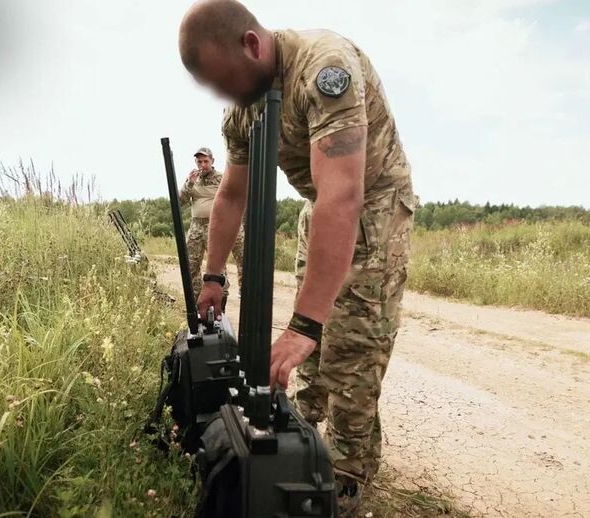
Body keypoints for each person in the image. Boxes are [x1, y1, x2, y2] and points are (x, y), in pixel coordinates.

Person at [178, 1, 415, 513]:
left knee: (350, 344)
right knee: (311, 356)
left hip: (373, 204)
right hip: (320, 208)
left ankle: (347, 475)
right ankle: (298, 437)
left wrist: (305, 324)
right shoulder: (244, 107)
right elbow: (232, 196)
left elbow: (344, 195)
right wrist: (214, 275)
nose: (226, 97)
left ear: (251, 44)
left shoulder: (324, 69)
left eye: (227, 81)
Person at [178, 146, 245, 301]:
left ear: (212, 161)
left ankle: (221, 300)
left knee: (217, 266)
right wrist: (189, 183)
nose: (202, 165)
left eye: (205, 161)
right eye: (199, 161)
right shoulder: (192, 180)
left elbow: (236, 197)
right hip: (196, 227)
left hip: (217, 227)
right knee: (191, 265)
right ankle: (195, 299)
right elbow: (180, 202)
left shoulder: (221, 178)